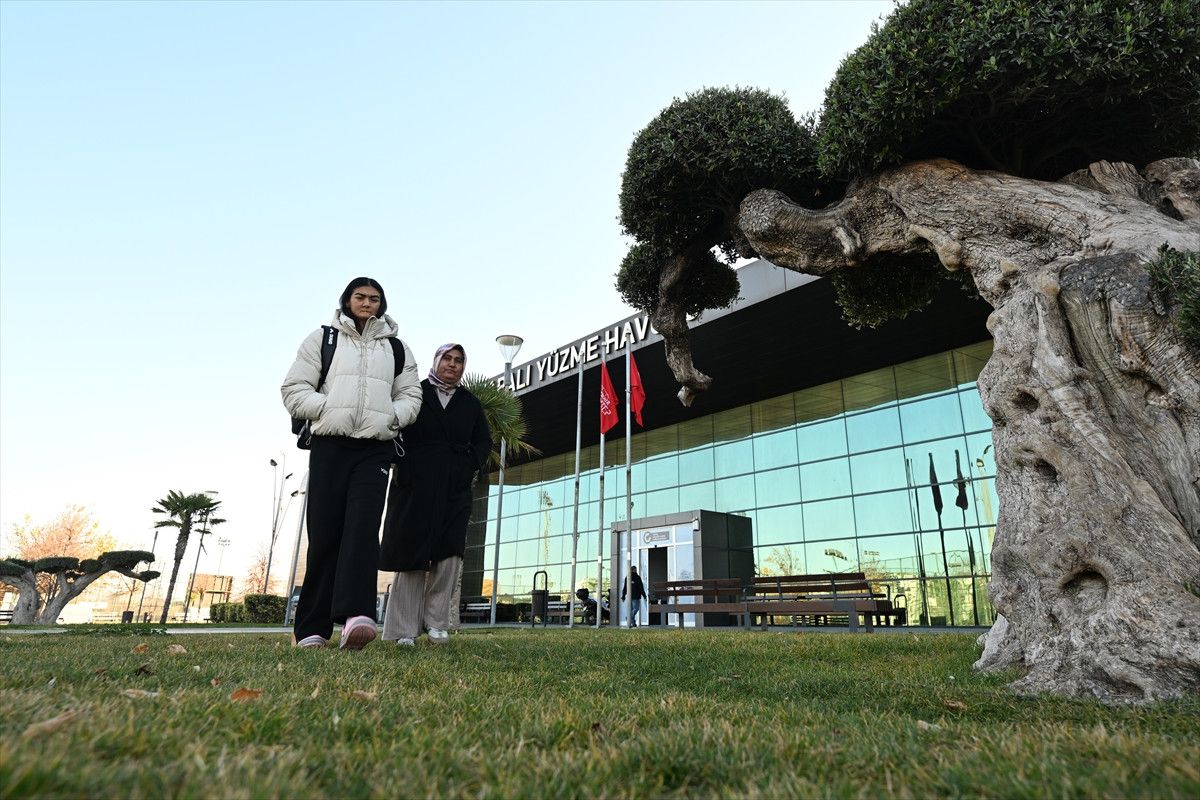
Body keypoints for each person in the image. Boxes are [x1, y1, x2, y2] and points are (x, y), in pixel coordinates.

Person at [281, 277, 421, 650]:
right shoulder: (323, 339)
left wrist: (391, 417)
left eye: (374, 298)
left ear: (382, 304)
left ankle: (357, 616)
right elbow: (293, 389)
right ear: (347, 300)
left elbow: (411, 394)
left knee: (362, 528)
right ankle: (311, 628)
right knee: (325, 532)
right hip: (330, 443)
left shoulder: (396, 348)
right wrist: (327, 408)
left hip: (375, 448)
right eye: (360, 296)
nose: (367, 303)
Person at [379, 343, 490, 646]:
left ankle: (437, 623)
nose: (452, 364)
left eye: (459, 360)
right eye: (447, 358)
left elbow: (483, 441)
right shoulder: (415, 392)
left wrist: (468, 465)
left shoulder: (470, 403)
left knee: (449, 553)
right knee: (410, 554)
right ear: (437, 361)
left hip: (454, 488)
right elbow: (395, 426)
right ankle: (403, 630)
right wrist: (404, 463)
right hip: (414, 485)